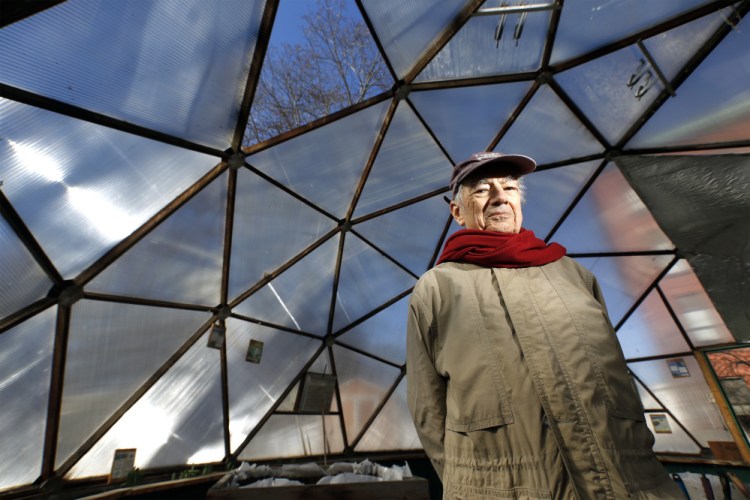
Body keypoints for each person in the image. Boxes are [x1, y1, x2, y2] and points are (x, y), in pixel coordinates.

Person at [406, 152, 683, 499]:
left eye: (509, 186)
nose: (499, 195)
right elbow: (428, 409)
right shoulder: (438, 288)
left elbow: (619, 380)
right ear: (457, 211)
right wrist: (472, 486)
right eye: (481, 190)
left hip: (631, 484)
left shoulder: (574, 274)